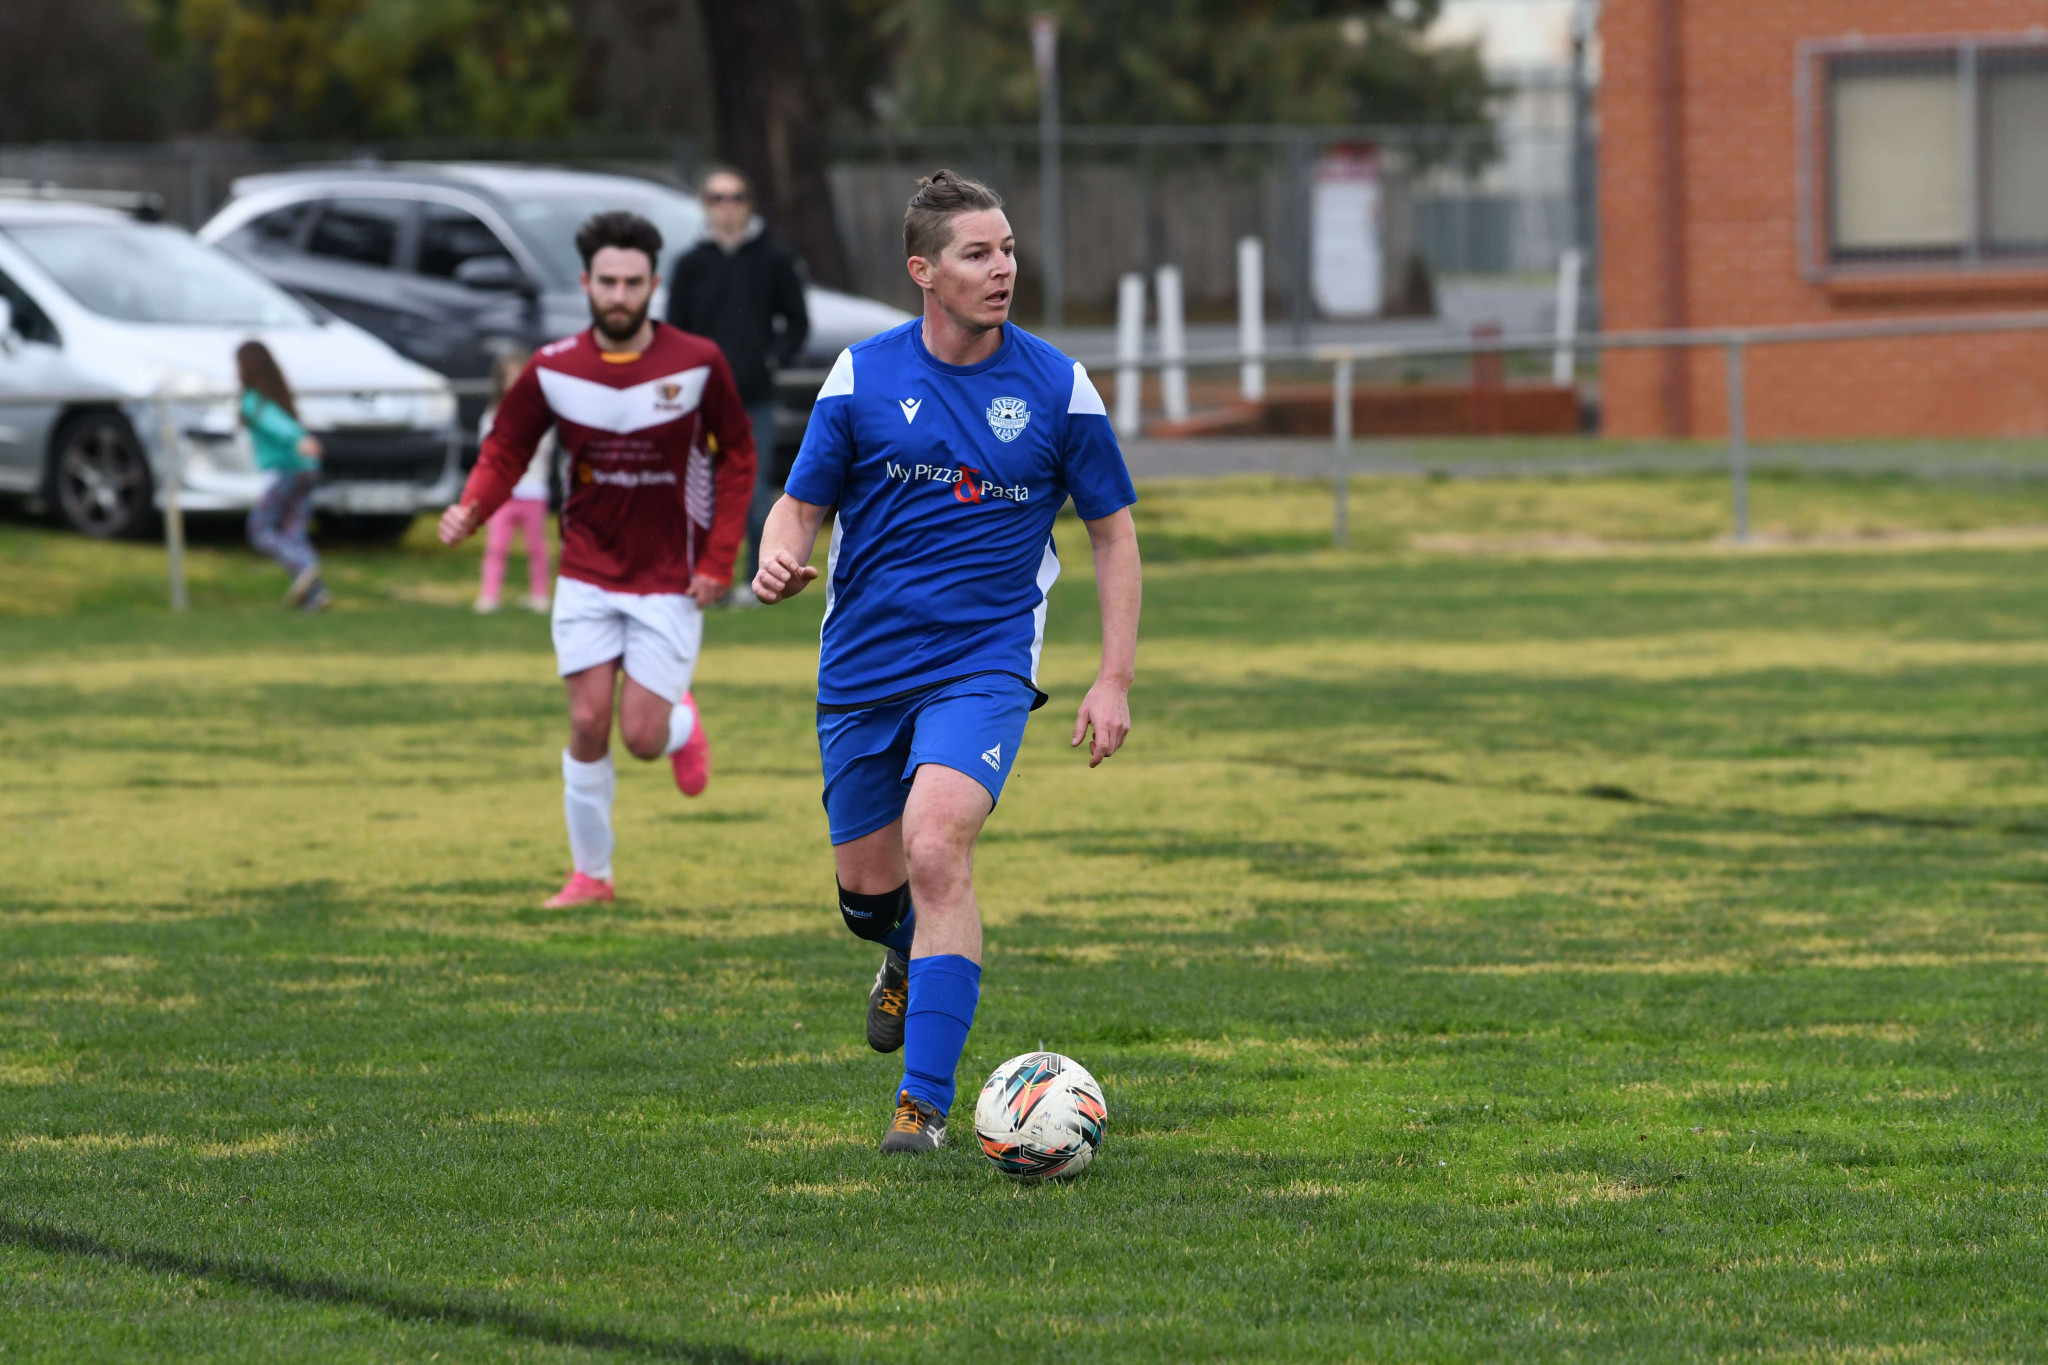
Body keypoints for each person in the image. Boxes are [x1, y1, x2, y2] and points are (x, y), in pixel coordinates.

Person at [752, 171, 1142, 1154]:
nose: (1002, 267)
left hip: (982, 665)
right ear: (922, 271)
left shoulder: (1057, 386)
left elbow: (1112, 532)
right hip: (860, 673)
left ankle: (919, 1108)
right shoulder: (861, 378)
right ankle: (899, 958)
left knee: (937, 850)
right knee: (867, 900)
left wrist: (1112, 677)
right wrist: (777, 548)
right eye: (977, 253)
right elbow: (801, 502)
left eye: (1007, 248)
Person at [438, 211, 756, 910]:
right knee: (586, 722)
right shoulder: (554, 368)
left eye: (633, 282)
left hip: (670, 578)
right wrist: (473, 505)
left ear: (654, 285)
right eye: (607, 281)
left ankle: (681, 725)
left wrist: (719, 558)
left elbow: (738, 456)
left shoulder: (698, 362)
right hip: (584, 571)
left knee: (640, 736)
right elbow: (506, 449)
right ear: (586, 283)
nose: (619, 295)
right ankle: (592, 875)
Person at [664, 164, 809, 605]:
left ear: (749, 202)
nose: (727, 207)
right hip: (701, 403)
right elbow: (675, 329)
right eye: (717, 198)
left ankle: (754, 580)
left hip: (754, 399)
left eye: (736, 197)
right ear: (705, 206)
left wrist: (770, 361)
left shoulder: (774, 258)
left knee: (752, 490)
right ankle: (708, 580)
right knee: (700, 493)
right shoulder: (691, 263)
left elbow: (797, 323)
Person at [237, 340, 329, 613]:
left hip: (287, 468)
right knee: (293, 530)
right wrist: (301, 440)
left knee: (260, 529)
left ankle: (305, 566)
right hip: (307, 468)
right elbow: (283, 421)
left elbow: (274, 424)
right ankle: (315, 596)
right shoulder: (278, 396)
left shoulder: (253, 400)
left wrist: (297, 440)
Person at [474, 350, 556, 615]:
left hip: (533, 491)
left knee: (536, 547)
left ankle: (540, 595)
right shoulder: (492, 416)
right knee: (496, 547)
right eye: (510, 376)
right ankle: (489, 595)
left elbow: (542, 446)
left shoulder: (539, 413)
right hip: (503, 495)